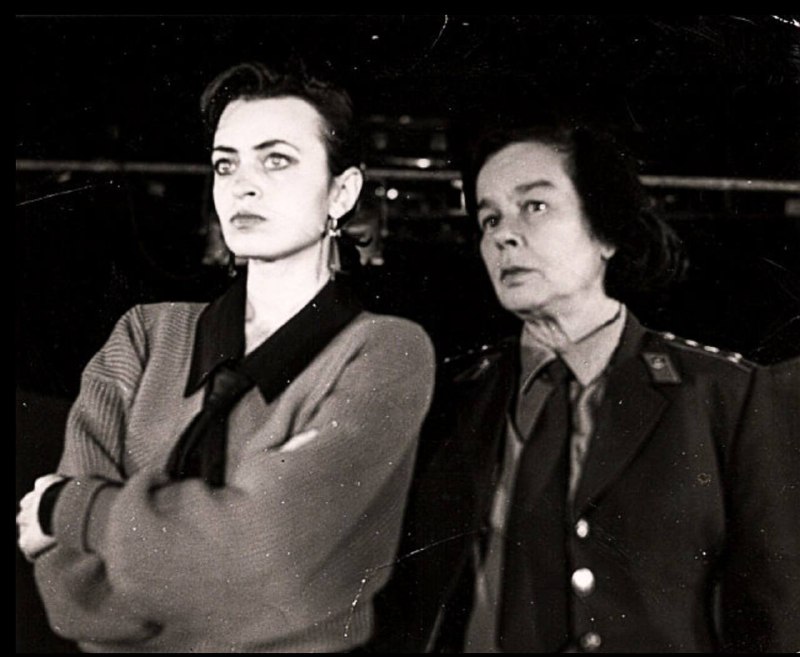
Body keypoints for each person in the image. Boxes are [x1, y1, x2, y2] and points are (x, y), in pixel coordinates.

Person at [16, 60, 435, 653]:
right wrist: (217, 567)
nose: (243, 185)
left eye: (277, 160)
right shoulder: (144, 337)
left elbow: (264, 564)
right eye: (225, 163)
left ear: (341, 192)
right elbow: (72, 595)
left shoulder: (382, 351)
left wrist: (70, 507)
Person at [372, 122, 799, 653]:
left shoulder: (725, 395)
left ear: (605, 232)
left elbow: (777, 613)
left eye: (534, 207)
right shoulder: (453, 395)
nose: (504, 235)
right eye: (489, 219)